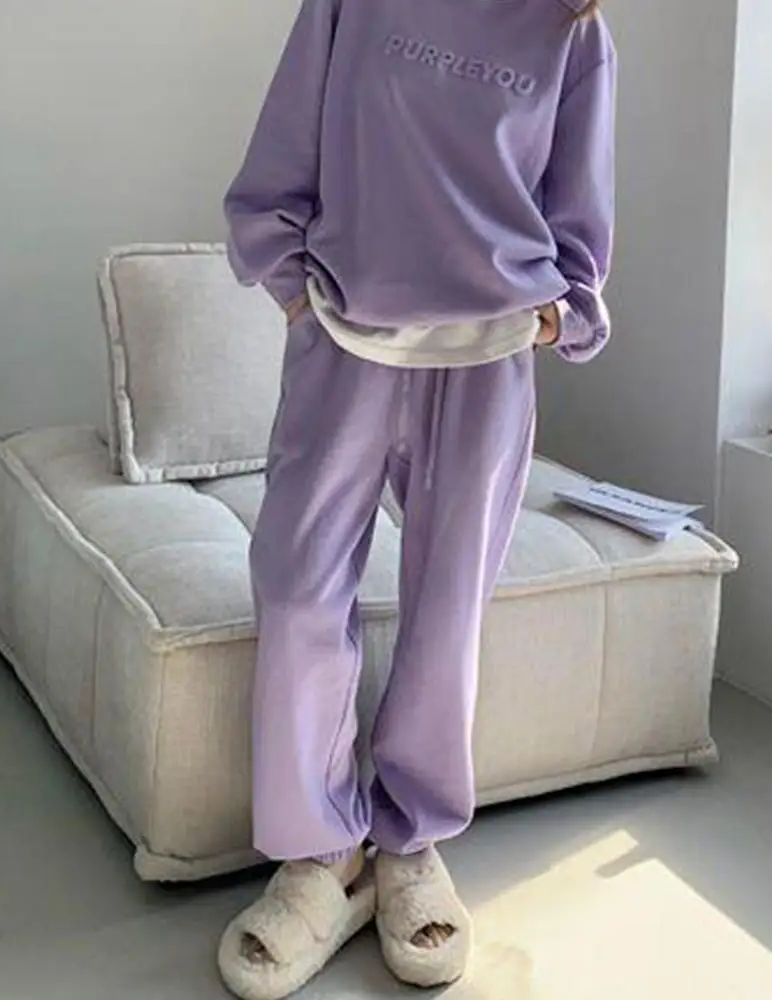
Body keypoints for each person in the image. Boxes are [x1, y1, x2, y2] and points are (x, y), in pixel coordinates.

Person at [217, 0, 616, 996]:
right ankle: (320, 852)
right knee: (299, 587)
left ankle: (409, 837)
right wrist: (294, 288)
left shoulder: (572, 30)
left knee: (449, 607)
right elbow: (281, 155)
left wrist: (558, 313)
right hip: (345, 336)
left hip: (489, 354)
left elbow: (579, 212)